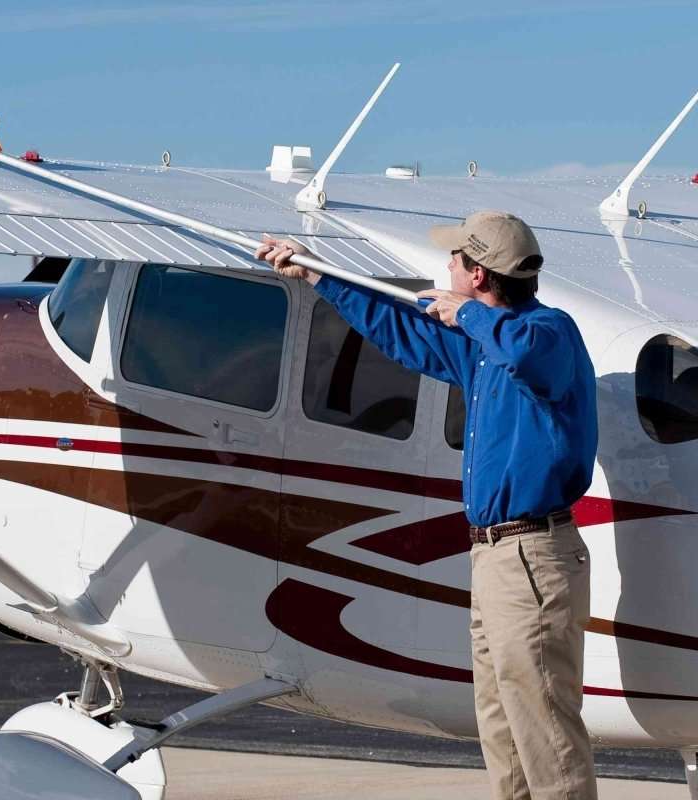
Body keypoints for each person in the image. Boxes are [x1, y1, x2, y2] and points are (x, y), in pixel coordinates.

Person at [256, 211, 598, 800]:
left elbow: (531, 357)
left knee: (541, 718)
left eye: (456, 262)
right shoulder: (485, 347)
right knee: (500, 717)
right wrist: (317, 275)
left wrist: (465, 314)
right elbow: (404, 334)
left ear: (480, 275)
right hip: (496, 557)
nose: (446, 268)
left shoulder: (547, 331)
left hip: (532, 557)